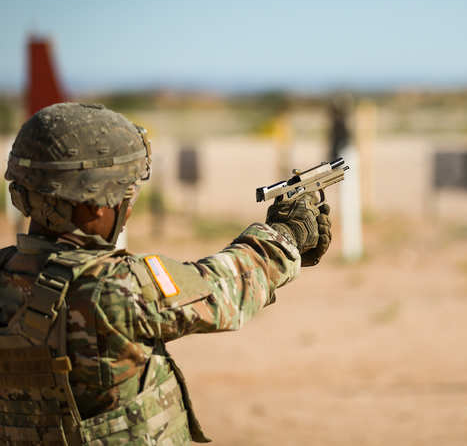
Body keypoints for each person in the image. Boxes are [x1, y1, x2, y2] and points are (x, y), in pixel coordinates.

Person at [0, 102, 332, 445]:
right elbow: (224, 287)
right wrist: (287, 234)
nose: (127, 209)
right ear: (93, 203)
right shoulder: (115, 288)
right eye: (125, 195)